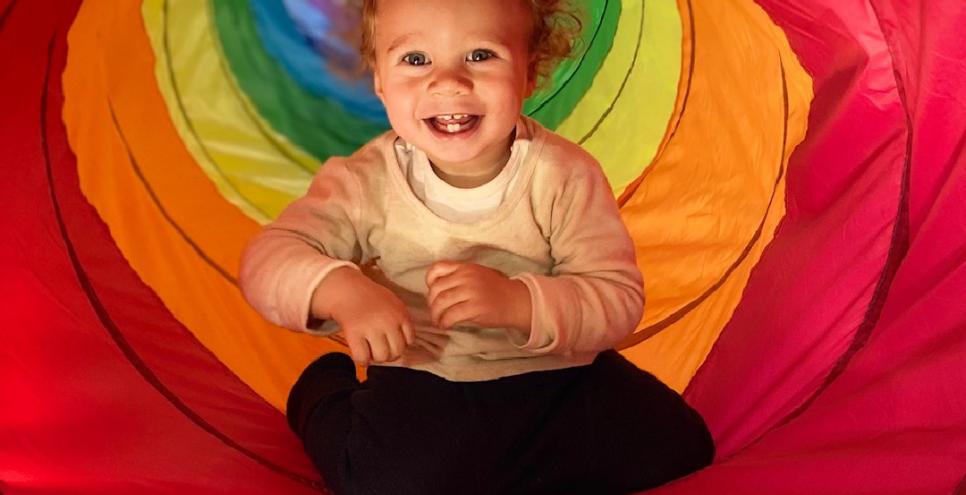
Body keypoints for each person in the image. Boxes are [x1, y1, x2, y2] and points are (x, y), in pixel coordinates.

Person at [239, 0, 714, 493]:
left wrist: (519, 303)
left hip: (561, 376)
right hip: (428, 376)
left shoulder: (564, 175)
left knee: (684, 446)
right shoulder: (363, 184)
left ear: (529, 75)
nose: (449, 82)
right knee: (384, 483)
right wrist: (344, 291)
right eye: (416, 60)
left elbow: (617, 299)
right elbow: (268, 258)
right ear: (379, 80)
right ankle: (322, 390)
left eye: (481, 55)